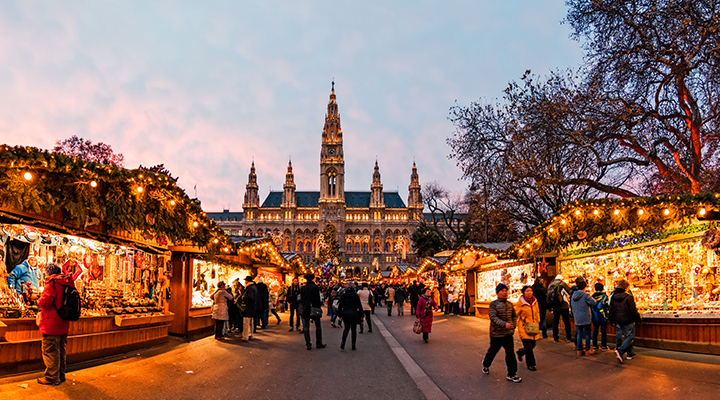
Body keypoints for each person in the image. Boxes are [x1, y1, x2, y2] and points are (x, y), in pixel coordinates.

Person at [36, 263, 74, 385]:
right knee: (61, 350)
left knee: (51, 350)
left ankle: (52, 377)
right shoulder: (67, 282)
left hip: (51, 323)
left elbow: (46, 301)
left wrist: (38, 300)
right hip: (63, 322)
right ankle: (60, 375)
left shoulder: (52, 283)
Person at [482, 283, 521, 383]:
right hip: (497, 334)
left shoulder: (509, 304)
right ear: (497, 293)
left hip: (508, 334)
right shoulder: (493, 304)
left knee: (510, 354)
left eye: (505, 290)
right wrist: (504, 324)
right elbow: (493, 317)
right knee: (492, 352)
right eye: (502, 291)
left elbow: (514, 316)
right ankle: (486, 364)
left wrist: (513, 325)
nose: (504, 293)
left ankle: (512, 374)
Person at [609, 279, 641, 364]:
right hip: (628, 319)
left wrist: (611, 320)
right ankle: (620, 351)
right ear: (627, 287)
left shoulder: (613, 296)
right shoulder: (628, 297)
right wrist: (638, 318)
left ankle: (630, 354)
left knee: (627, 336)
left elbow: (611, 310)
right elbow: (633, 310)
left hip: (618, 319)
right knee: (630, 336)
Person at [515, 285, 540, 371]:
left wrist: (538, 321)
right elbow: (515, 314)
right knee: (529, 347)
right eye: (527, 291)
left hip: (533, 327)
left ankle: (521, 352)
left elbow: (537, 312)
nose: (529, 293)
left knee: (533, 345)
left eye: (531, 291)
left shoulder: (535, 302)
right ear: (524, 293)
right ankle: (531, 364)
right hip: (524, 327)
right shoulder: (520, 303)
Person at [570, 277, 597, 355]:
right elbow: (593, 302)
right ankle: (588, 350)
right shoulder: (585, 295)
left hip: (577, 317)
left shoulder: (573, 295)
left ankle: (579, 350)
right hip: (585, 316)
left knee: (579, 333)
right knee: (587, 333)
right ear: (585, 287)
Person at [301, 274, 326, 350]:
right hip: (314, 308)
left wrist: (305, 305)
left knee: (306, 327)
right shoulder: (315, 287)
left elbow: (302, 299)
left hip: (306, 308)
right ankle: (318, 342)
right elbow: (317, 299)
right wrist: (318, 306)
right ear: (312, 279)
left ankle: (308, 344)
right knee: (318, 326)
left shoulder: (303, 288)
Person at [337, 281, 363, 350]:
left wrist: (339, 314)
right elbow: (359, 306)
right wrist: (362, 315)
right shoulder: (355, 295)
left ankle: (343, 343)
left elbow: (340, 306)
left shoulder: (344, 295)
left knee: (346, 329)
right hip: (354, 313)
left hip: (345, 313)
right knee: (353, 330)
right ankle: (353, 345)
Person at [547, 275, 572, 343]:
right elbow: (569, 292)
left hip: (555, 306)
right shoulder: (562, 284)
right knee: (566, 322)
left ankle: (555, 338)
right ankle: (568, 337)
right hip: (563, 305)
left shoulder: (550, 285)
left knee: (555, 322)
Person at [591, 282, 610, 351]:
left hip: (595, 316)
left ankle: (595, 345)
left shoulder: (592, 297)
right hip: (603, 316)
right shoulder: (605, 297)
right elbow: (607, 306)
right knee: (603, 331)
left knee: (595, 331)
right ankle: (604, 346)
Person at [240, 276, 259, 342]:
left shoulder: (249, 288)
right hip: (252, 307)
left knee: (246, 323)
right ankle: (251, 335)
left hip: (248, 308)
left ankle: (245, 337)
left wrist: (243, 297)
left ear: (247, 281)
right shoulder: (254, 287)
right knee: (251, 323)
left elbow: (250, 298)